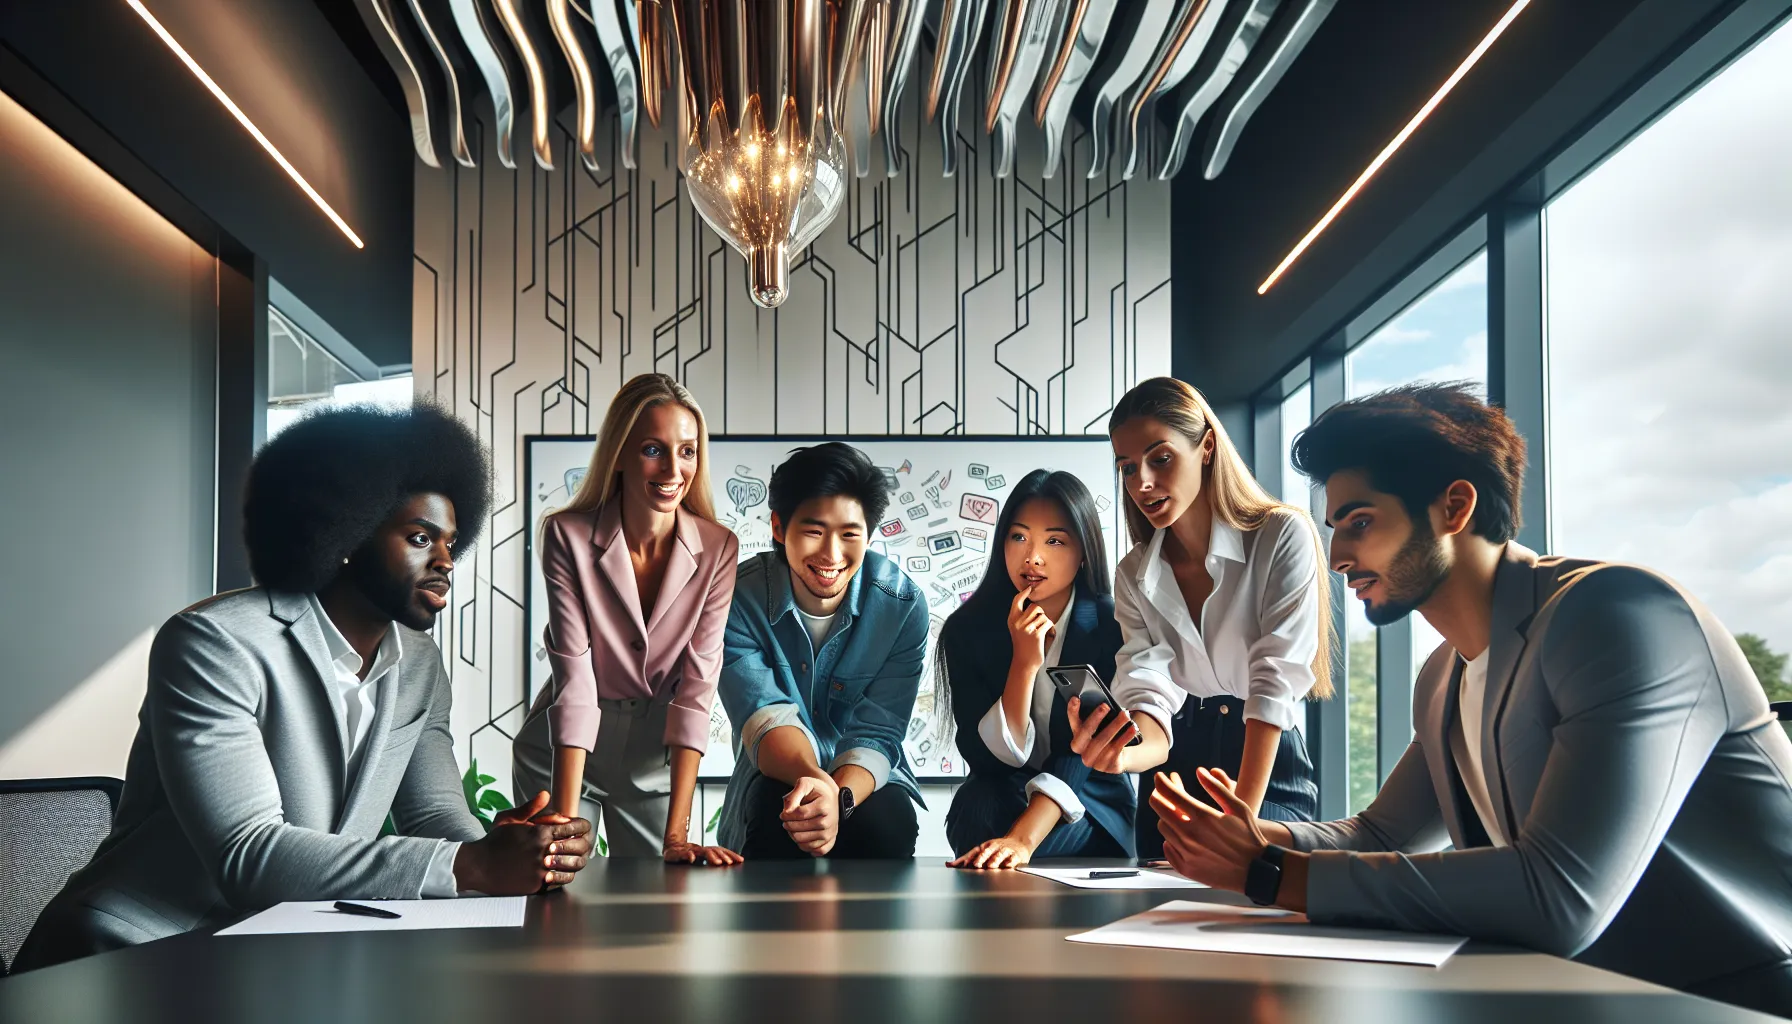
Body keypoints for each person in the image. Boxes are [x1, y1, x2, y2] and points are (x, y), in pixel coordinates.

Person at [1150, 383, 1792, 1018]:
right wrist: (1246, 837)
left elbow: (1560, 895)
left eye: (1360, 522)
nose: (1337, 556)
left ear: (1454, 507)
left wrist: (1271, 873)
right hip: (1584, 992)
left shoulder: (1618, 616)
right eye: (1336, 528)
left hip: (1732, 998)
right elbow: (1381, 833)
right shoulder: (1443, 676)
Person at [15, 404, 593, 970]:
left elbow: (437, 816)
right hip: (128, 957)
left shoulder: (417, 663)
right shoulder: (214, 643)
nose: (445, 560)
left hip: (276, 955)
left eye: (450, 542)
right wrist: (472, 865)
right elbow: (248, 854)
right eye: (420, 538)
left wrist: (519, 852)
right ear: (347, 529)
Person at [1073, 376, 1334, 859]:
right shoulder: (1134, 574)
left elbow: (1273, 683)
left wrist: (1241, 818)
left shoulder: (1281, 535)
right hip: (1176, 767)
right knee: (1156, 920)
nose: (1142, 482)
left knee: (1258, 915)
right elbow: (1149, 695)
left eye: (1161, 458)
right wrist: (1122, 756)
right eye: (1127, 468)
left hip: (1265, 758)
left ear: (1207, 447)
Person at [512, 374, 742, 865]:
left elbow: (698, 685)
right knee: (555, 897)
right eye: (653, 450)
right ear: (618, 453)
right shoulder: (566, 535)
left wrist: (678, 834)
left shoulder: (720, 548)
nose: (673, 469)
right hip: (562, 755)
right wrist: (564, 830)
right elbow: (574, 677)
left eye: (687, 451)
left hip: (654, 756)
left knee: (660, 910)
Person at [715, 442, 926, 859]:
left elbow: (879, 732)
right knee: (778, 809)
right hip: (777, 769)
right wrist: (814, 781)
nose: (831, 554)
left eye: (850, 534)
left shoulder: (902, 606)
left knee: (890, 821)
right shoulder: (735, 598)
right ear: (779, 527)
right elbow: (764, 715)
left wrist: (839, 797)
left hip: (866, 779)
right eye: (814, 531)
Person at [940, 470, 1136, 868]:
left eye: (1054, 540)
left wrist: (1022, 838)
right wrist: (1024, 664)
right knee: (976, 815)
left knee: (1021, 843)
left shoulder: (1110, 626)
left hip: (1088, 799)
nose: (1033, 557)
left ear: (1083, 552)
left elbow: (1082, 756)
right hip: (1000, 793)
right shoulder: (967, 629)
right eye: (1019, 537)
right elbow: (987, 761)